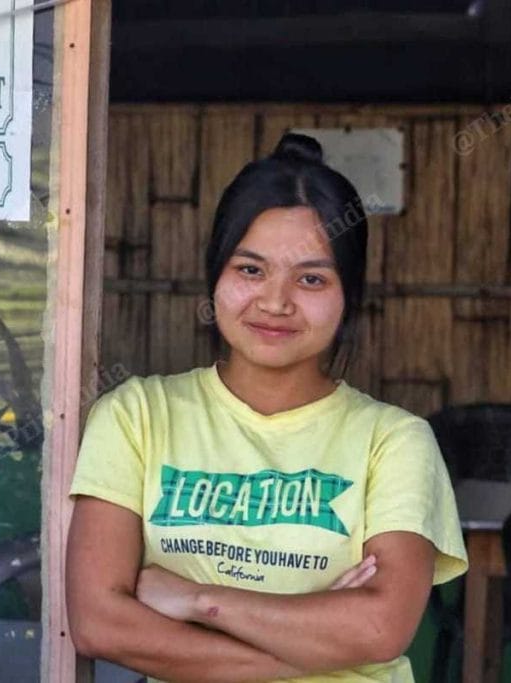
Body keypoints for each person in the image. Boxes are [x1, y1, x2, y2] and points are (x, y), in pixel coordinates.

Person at [66, 133, 468, 683]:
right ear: (216, 277)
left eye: (311, 278)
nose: (276, 302)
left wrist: (199, 601)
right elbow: (98, 622)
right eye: (250, 270)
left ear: (348, 296)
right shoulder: (137, 416)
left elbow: (380, 629)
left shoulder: (394, 440)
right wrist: (309, 645)